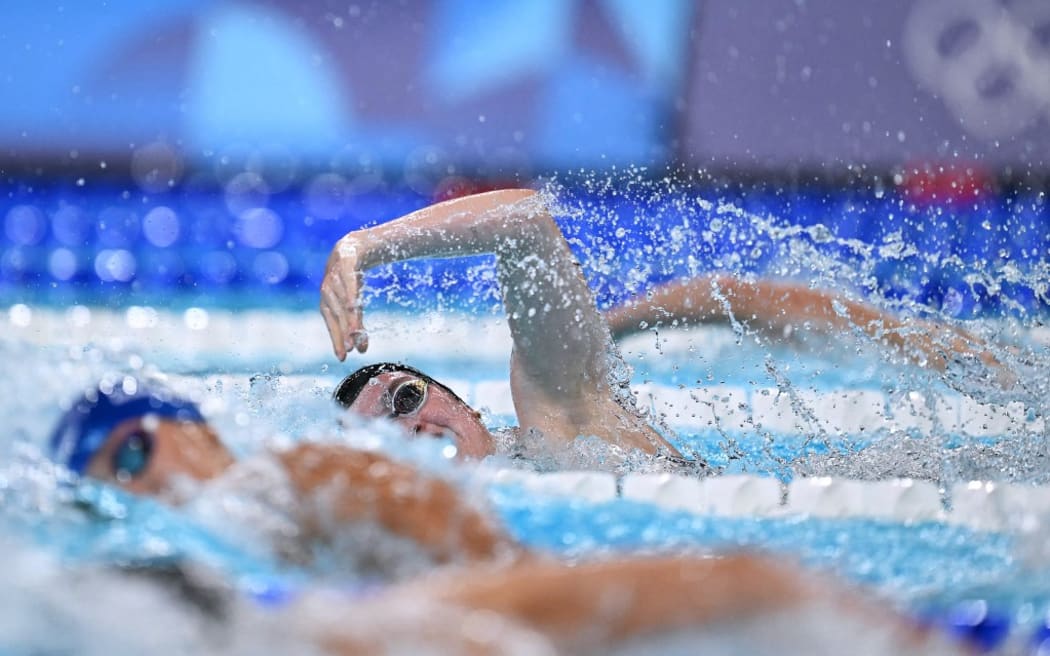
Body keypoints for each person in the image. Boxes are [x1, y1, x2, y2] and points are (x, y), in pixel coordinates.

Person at [46, 378, 956, 655]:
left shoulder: (297, 475)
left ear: (192, 426)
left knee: (750, 586)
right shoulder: (238, 523)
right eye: (108, 480)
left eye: (133, 450)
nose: (136, 484)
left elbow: (511, 565)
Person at [320, 189, 1006, 463]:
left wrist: (360, 247)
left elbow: (525, 222)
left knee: (718, 296)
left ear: (463, 403)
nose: (410, 426)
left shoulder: (554, 423)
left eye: (406, 398)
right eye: (385, 434)